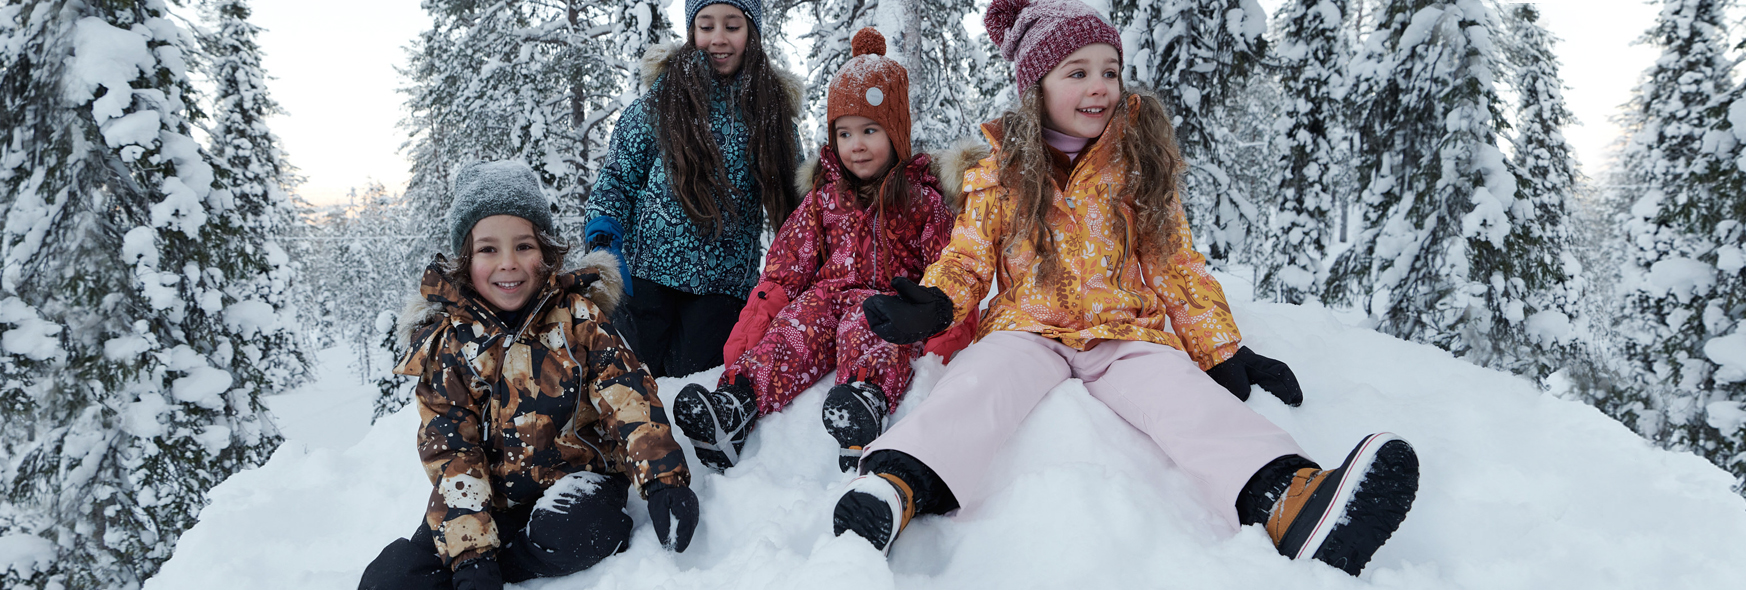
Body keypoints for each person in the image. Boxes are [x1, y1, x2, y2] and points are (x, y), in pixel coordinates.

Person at [830, 0, 1420, 577]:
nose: (1099, 87)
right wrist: (939, 302)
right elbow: (968, 257)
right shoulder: (1001, 171)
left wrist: (1223, 349)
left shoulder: (1137, 166)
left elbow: (1175, 265)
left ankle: (1291, 501)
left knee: (1186, 397)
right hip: (1027, 328)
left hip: (1121, 332)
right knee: (977, 386)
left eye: (1109, 71)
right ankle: (895, 487)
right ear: (1037, 85)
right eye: (1078, 72)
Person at [359, 161, 698, 590]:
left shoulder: (577, 319)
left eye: (523, 246)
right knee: (389, 580)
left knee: (583, 528)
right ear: (464, 259)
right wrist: (470, 552)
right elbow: (452, 451)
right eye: (488, 249)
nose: (508, 264)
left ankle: (510, 564)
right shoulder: (450, 345)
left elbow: (627, 394)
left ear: (546, 250)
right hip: (489, 495)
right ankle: (478, 559)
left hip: (575, 480)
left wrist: (664, 480)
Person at [670, 28, 971, 473]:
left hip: (887, 304)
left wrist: (941, 336)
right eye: (844, 133)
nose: (857, 145)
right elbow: (785, 270)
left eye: (870, 130)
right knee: (798, 322)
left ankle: (863, 402)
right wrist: (753, 332)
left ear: (897, 134)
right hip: (827, 299)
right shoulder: (824, 199)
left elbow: (949, 274)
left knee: (871, 325)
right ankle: (736, 404)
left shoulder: (922, 201)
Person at [582, 0, 803, 379]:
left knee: (692, 380)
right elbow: (617, 179)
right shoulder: (660, 102)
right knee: (629, 377)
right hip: (645, 277)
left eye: (732, 26)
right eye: (706, 26)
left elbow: (796, 198)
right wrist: (605, 238)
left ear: (752, 32)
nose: (718, 38)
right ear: (691, 32)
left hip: (723, 285)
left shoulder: (770, 112)